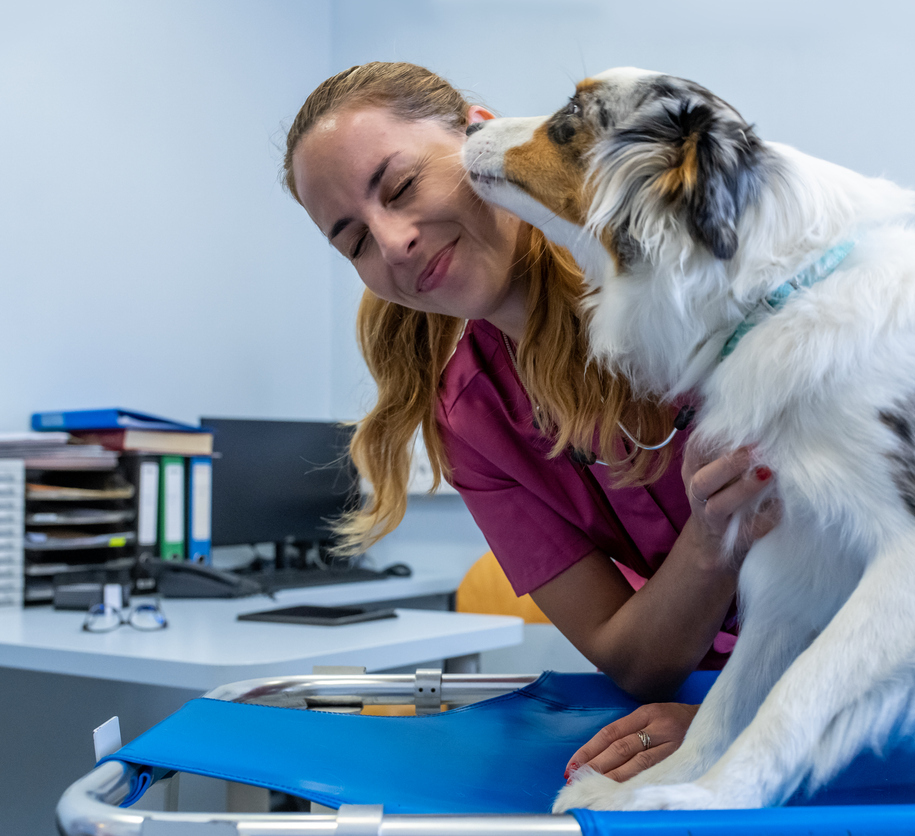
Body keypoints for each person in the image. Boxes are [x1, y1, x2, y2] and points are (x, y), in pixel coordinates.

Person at [283, 62, 776, 782]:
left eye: (402, 185)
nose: (391, 244)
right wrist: (710, 541)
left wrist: (753, 717)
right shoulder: (474, 421)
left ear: (485, 142)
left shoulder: (693, 255)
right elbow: (633, 660)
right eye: (354, 241)